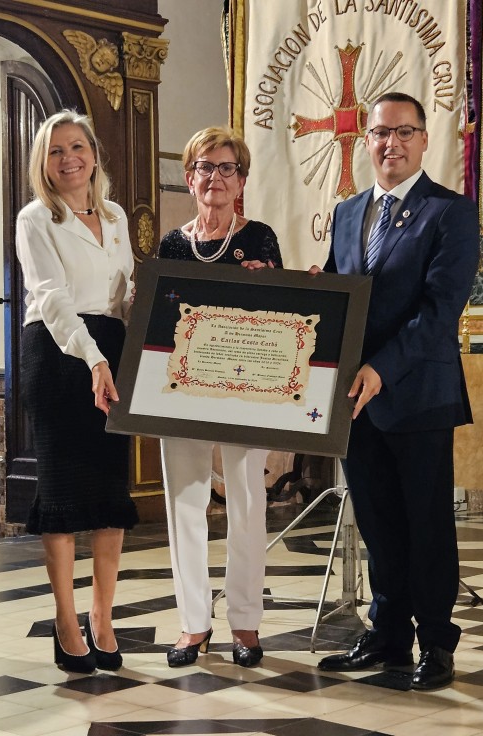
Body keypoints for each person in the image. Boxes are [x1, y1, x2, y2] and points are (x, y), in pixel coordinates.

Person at [311, 92, 478, 690]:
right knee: (377, 521)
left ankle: (435, 640)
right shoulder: (350, 211)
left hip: (417, 393)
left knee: (426, 523)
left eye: (404, 133)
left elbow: (439, 312)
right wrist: (299, 290)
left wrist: (381, 367)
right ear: (367, 141)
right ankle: (387, 636)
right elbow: (340, 288)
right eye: (381, 133)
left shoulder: (450, 213)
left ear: (424, 140)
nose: (391, 144)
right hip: (355, 400)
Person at [16, 109, 139, 674]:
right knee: (63, 499)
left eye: (77, 147)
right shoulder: (36, 218)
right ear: (44, 162)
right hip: (61, 355)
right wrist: (92, 359)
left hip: (111, 352)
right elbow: (52, 296)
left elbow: (126, 292)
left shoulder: (115, 216)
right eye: (56, 150)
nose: (69, 159)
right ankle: (66, 621)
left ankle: (102, 617)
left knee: (111, 495)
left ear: (94, 154)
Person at [158, 126, 282, 668]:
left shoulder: (260, 238)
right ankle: (192, 625)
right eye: (204, 167)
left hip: (245, 390)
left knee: (247, 505)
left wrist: (270, 282)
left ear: (242, 180)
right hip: (181, 389)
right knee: (184, 503)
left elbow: (280, 316)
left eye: (226, 168)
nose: (215, 177)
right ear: (189, 178)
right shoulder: (171, 244)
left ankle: (246, 625)